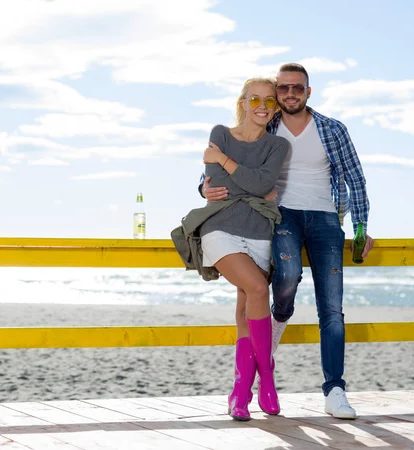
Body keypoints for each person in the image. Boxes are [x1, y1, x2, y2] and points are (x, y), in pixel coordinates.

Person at [201, 63, 374, 419]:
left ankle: (335, 389)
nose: (289, 94)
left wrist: (359, 227)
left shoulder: (331, 129)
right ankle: (275, 327)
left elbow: (355, 178)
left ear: (308, 92)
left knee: (333, 308)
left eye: (298, 88)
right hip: (281, 217)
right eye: (284, 89)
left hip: (326, 217)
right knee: (286, 276)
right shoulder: (267, 125)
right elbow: (215, 167)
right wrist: (203, 186)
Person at [172, 77, 290, 421]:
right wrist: (251, 184)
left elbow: (264, 185)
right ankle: (264, 381)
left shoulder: (278, 147)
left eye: (270, 101)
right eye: (255, 99)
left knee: (245, 310)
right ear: (243, 101)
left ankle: (239, 392)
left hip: (259, 233)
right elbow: (220, 188)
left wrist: (224, 161)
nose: (263, 107)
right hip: (220, 227)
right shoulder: (221, 132)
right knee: (257, 288)